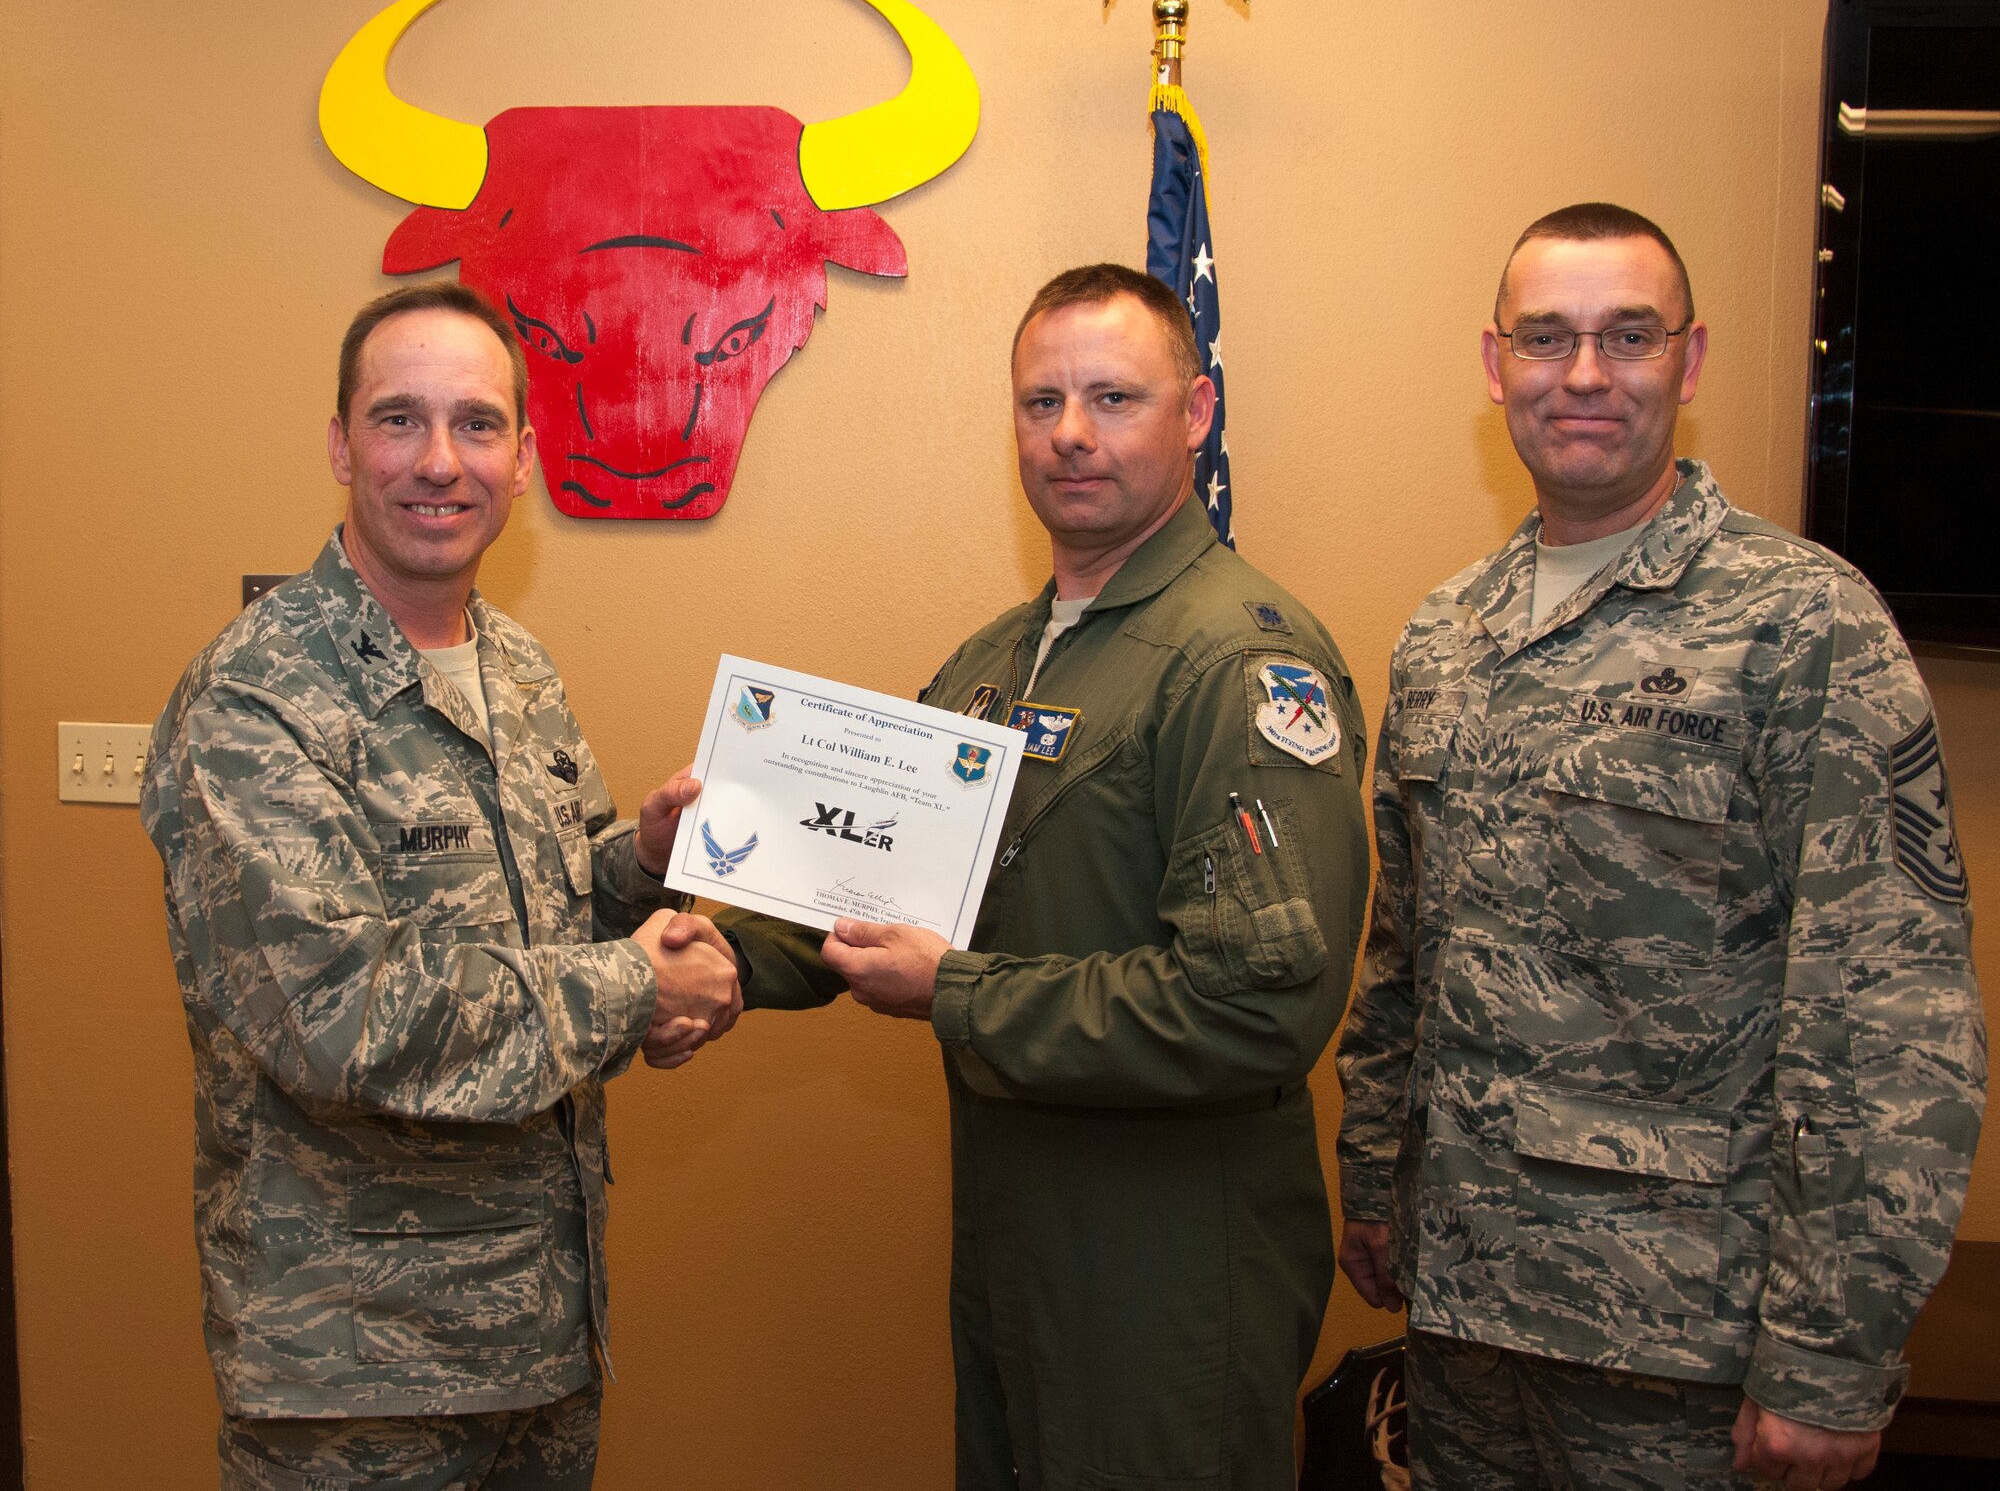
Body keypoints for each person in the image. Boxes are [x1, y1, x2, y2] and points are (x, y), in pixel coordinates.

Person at [660, 262, 1370, 1490]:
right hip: (1013, 1237)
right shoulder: (1001, 659)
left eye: (1112, 398)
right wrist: (719, 953)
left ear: (1195, 413)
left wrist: (961, 995)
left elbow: (1253, 1009)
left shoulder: (1237, 664)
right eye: (1040, 403)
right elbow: (870, 877)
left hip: (1167, 1260)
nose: (1071, 436)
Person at [1335, 203, 1986, 1491]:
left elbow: (1889, 1011)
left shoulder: (1803, 624)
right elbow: (1404, 950)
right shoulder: (1445, 636)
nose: (1584, 375)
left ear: (1687, 362)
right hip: (1467, 1317)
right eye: (1547, 338)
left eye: (1626, 336)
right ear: (1493, 364)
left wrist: (1829, 1354)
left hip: (1685, 1341)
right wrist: (1372, 1175)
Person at [142, 281, 741, 1489]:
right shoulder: (256, 699)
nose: (437, 461)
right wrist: (635, 987)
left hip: (540, 1330)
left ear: (523, 458)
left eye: (475, 424)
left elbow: (546, 908)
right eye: (397, 419)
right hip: (354, 1368)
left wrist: (640, 867)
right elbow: (339, 1012)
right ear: (339, 444)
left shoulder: (514, 665)